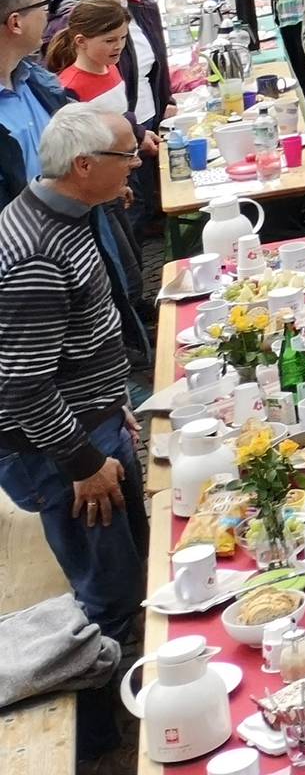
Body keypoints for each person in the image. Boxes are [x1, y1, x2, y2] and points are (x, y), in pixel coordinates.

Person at [0, 105, 146, 641]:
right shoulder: (35, 255)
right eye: (126, 154)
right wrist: (84, 462)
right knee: (107, 597)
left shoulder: (70, 212)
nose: (135, 161)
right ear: (83, 165)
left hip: (91, 419)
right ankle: (104, 718)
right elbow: (21, 385)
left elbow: (73, 338)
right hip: (56, 450)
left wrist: (112, 400)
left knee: (130, 570)